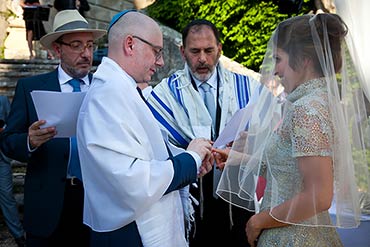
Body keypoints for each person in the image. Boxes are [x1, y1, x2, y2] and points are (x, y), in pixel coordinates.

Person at [214, 13, 369, 246]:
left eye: (279, 59)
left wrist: (258, 221)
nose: (275, 69)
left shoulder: (307, 110)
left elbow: (319, 195)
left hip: (292, 236)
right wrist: (238, 158)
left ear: (304, 60)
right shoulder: (317, 101)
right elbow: (289, 170)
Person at [76, 10, 213, 247]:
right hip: (128, 234)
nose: (160, 62)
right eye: (156, 51)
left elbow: (146, 154)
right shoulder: (107, 96)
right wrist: (190, 159)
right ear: (130, 44)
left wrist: (192, 163)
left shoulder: (123, 90)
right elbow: (131, 180)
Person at [147, 19, 259, 246]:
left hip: (235, 199)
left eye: (209, 50)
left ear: (219, 49)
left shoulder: (247, 87)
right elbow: (154, 146)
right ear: (182, 51)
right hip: (191, 201)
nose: (202, 59)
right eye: (195, 51)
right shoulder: (164, 94)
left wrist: (249, 142)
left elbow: (269, 137)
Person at [0, 9, 106, 246]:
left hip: (97, 202)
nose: (86, 53)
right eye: (77, 45)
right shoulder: (31, 87)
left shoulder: (105, 88)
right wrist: (29, 141)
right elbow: (7, 142)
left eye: (89, 45)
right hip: (48, 205)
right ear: (57, 50)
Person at [0, 95, 25, 247]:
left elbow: (12, 128)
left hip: (0, 159)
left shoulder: (2, 100)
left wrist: (3, 129)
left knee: (7, 197)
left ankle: (19, 236)